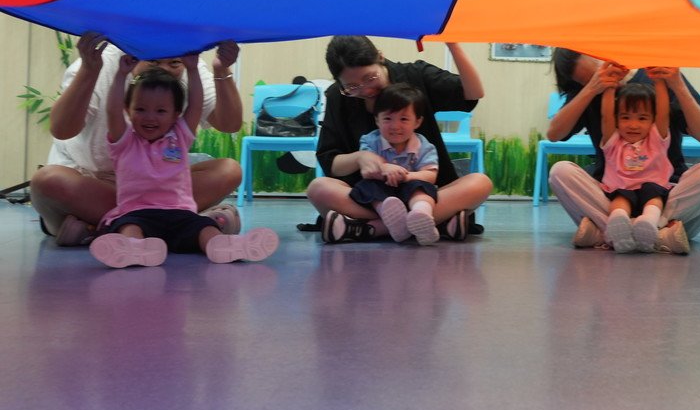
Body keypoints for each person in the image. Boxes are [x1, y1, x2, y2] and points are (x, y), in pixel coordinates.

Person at [30, 32, 245, 246]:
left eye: (173, 63)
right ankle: (182, 224)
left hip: (157, 190)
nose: (164, 70)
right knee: (48, 180)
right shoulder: (100, 64)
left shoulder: (188, 63)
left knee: (229, 170)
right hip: (93, 183)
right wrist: (89, 70)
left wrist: (221, 69)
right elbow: (63, 129)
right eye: (153, 61)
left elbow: (228, 123)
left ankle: (100, 227)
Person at [89, 54, 278, 268]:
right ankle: (134, 248)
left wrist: (193, 70)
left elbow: (196, 105)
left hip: (179, 213)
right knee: (128, 226)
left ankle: (224, 245)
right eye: (140, 109)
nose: (150, 117)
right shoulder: (124, 142)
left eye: (161, 111)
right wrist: (121, 74)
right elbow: (112, 110)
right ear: (128, 110)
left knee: (204, 226)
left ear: (176, 114)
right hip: (137, 213)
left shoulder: (179, 136)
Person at [307, 37, 492, 243]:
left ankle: (370, 228)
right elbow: (330, 162)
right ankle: (434, 222)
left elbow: (473, 94)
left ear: (380, 57)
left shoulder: (415, 76)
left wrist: (453, 45)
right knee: (318, 188)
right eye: (352, 86)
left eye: (370, 78)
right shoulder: (338, 96)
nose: (366, 90)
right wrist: (360, 158)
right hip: (370, 199)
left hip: (425, 196)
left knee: (480, 183)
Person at [547, 50, 700, 255]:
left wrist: (677, 84)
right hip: (613, 194)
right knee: (560, 172)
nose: (633, 125)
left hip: (666, 193)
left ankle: (613, 233)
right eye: (587, 80)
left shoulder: (657, 74)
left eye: (642, 118)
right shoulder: (591, 90)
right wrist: (592, 88)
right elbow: (554, 134)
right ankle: (660, 236)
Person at [348, 83, 441, 245]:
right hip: (381, 188)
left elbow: (431, 175)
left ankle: (421, 214)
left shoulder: (424, 146)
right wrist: (384, 168)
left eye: (404, 119)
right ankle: (391, 216)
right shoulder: (370, 141)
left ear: (417, 122)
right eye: (387, 118)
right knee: (366, 187)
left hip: (409, 187)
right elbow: (367, 171)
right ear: (377, 120)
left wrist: (406, 176)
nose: (395, 126)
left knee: (423, 187)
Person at [599, 79, 672, 253]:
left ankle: (648, 223)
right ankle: (619, 223)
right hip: (622, 190)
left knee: (654, 197)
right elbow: (606, 116)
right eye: (625, 117)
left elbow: (663, 113)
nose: (633, 125)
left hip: (652, 189)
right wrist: (610, 85)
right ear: (617, 120)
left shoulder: (656, 139)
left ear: (652, 120)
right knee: (620, 200)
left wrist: (660, 82)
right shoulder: (613, 142)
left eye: (642, 118)